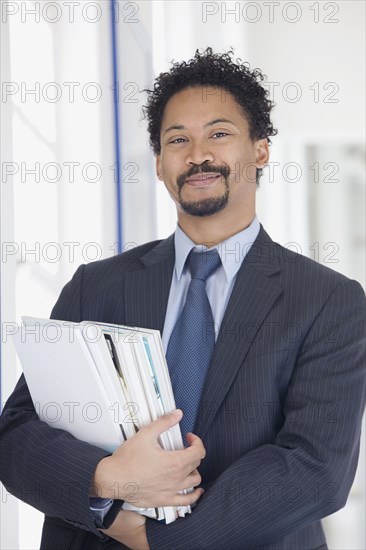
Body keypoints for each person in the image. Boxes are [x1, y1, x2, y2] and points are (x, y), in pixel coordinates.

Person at [1, 48, 365, 550]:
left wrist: (155, 538)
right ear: (158, 163)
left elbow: (315, 467)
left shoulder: (329, 301)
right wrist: (108, 480)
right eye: (178, 140)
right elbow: (18, 434)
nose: (198, 155)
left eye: (219, 134)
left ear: (260, 151)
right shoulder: (97, 286)